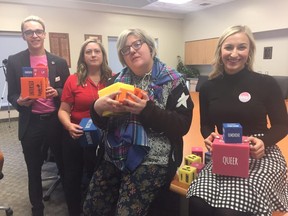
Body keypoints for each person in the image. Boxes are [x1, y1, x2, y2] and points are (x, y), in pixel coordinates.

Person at [82, 28, 194, 216]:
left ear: (150, 47)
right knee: (91, 208)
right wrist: (97, 109)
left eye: (137, 44)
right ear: (123, 57)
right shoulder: (114, 81)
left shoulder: (174, 81)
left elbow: (182, 125)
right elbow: (103, 124)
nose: (132, 51)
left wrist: (146, 110)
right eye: (126, 50)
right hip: (114, 154)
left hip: (153, 158)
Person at [187, 25, 288, 216]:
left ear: (249, 51)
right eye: (228, 47)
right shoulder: (208, 87)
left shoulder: (266, 84)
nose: (234, 54)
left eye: (241, 47)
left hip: (260, 153)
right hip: (225, 150)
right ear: (220, 51)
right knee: (197, 200)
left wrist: (263, 142)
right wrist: (208, 136)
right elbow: (205, 124)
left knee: (230, 210)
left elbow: (283, 125)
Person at [6, 15, 70, 216]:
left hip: (55, 121)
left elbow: (67, 91)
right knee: (33, 171)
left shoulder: (58, 62)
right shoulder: (15, 61)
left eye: (38, 31)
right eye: (29, 32)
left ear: (44, 33)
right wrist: (19, 101)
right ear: (23, 35)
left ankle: (71, 204)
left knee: (64, 165)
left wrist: (56, 92)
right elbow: (12, 94)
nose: (34, 35)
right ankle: (37, 210)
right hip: (31, 123)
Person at [58, 38, 112, 216]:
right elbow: (63, 110)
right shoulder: (73, 80)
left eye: (97, 51)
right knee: (73, 177)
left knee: (98, 176)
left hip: (105, 138)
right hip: (77, 136)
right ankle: (74, 211)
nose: (93, 54)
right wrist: (68, 126)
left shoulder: (112, 79)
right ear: (83, 56)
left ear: (103, 55)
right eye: (88, 51)